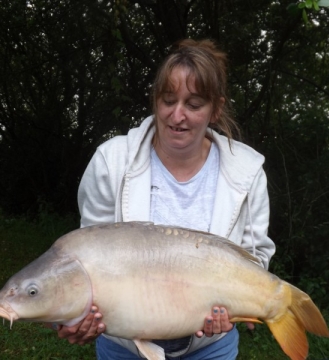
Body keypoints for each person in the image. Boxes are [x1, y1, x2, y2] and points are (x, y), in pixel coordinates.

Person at [51, 38, 276, 359]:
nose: (177, 115)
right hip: (123, 346)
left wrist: (240, 305)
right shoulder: (111, 162)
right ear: (155, 100)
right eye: (168, 100)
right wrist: (77, 316)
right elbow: (87, 261)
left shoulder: (247, 171)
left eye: (194, 104)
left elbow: (256, 255)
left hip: (211, 347)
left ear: (217, 109)